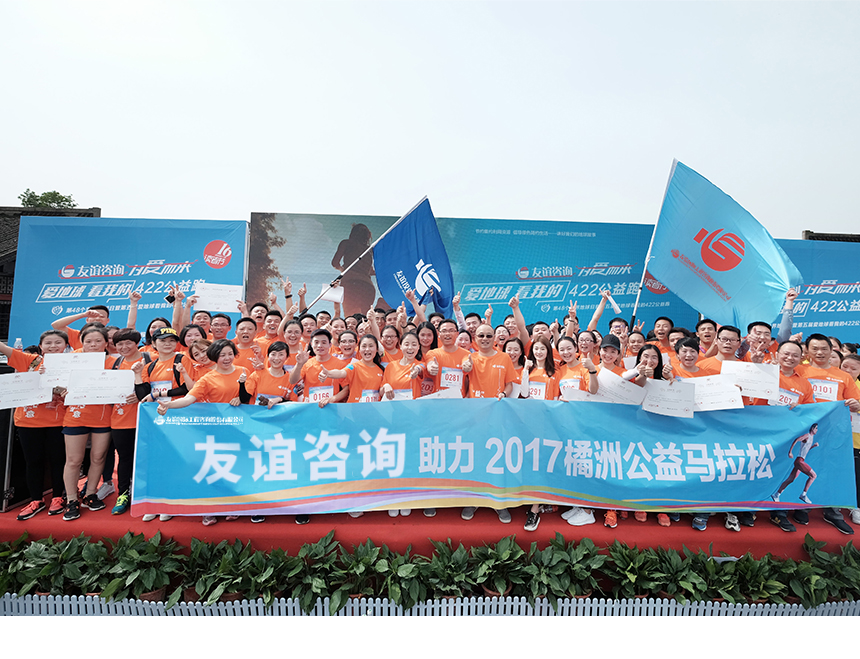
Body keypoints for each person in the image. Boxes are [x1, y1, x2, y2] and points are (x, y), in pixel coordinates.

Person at [156, 339, 246, 526]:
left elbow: (251, 394)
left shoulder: (243, 372)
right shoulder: (207, 378)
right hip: (215, 430)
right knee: (212, 468)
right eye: (222, 355)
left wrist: (240, 397)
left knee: (234, 468)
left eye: (230, 354)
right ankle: (208, 509)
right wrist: (169, 405)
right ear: (214, 356)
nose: (227, 358)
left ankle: (232, 505)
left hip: (239, 429)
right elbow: (189, 399)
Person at [794, 333, 860, 534]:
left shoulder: (843, 376)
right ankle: (801, 507)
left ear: (832, 350)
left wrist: (856, 404)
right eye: (815, 348)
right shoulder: (798, 370)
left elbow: (855, 403)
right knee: (804, 468)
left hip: (834, 433)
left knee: (832, 470)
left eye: (824, 348)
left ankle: (833, 511)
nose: (820, 352)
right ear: (807, 351)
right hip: (805, 430)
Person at [2, 332, 68, 520]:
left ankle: (58, 497)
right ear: (41, 346)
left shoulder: (72, 364)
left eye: (58, 342)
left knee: (58, 461)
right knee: (33, 462)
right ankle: (36, 500)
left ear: (66, 345)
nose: (53, 346)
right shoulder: (30, 361)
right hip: (28, 421)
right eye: (48, 343)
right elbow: (4, 348)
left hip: (59, 421)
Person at [754, 340, 815, 533]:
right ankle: (747, 510)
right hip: (759, 433)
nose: (790, 358)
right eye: (786, 353)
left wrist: (800, 409)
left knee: (779, 473)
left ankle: (778, 513)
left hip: (785, 438)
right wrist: (764, 372)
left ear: (801, 358)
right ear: (777, 353)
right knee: (756, 471)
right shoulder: (764, 373)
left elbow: (810, 413)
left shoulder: (804, 384)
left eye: (795, 355)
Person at [461, 323, 518, 525]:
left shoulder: (504, 358)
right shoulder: (469, 358)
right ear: (475, 338)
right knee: (476, 459)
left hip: (498, 416)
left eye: (488, 335)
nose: (484, 339)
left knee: (498, 460)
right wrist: (465, 370)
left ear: (494, 337)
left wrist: (503, 394)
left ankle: (499, 502)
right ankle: (474, 500)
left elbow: (510, 384)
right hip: (475, 418)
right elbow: (462, 384)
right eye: (481, 335)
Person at [60, 327, 114, 521]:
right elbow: (55, 382)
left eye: (98, 341)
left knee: (98, 457)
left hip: (103, 416)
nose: (93, 344)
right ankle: (72, 499)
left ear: (106, 343)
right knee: (74, 460)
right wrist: (61, 390)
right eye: (88, 341)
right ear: (81, 342)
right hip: (76, 415)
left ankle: (91, 493)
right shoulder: (71, 360)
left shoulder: (114, 362)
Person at [106, 329, 150, 516]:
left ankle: (147, 494)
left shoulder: (151, 360)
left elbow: (158, 386)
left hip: (146, 420)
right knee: (124, 459)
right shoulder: (114, 363)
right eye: (119, 344)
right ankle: (123, 494)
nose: (124, 347)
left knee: (147, 458)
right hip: (120, 420)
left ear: (137, 343)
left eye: (128, 343)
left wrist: (141, 395)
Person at [331, 223, 376, 316]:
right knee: (365, 317)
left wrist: (343, 270)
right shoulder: (369, 250)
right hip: (368, 286)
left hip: (350, 283)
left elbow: (335, 263)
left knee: (351, 317)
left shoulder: (346, 243)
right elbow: (370, 271)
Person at [771, 424, 819, 506]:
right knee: (813, 476)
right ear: (812, 428)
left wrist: (813, 446)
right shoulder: (807, 436)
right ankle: (803, 494)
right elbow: (797, 439)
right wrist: (790, 452)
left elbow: (805, 450)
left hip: (800, 461)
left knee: (790, 479)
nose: (817, 430)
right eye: (816, 428)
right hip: (800, 461)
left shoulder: (811, 438)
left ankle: (776, 494)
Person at [425, 319, 472, 397]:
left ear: (457, 334)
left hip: (458, 400)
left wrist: (467, 366)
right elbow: (430, 363)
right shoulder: (432, 353)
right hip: (438, 399)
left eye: (451, 330)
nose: (447, 334)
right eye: (444, 331)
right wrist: (431, 368)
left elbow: (470, 379)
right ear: (439, 334)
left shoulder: (466, 354)